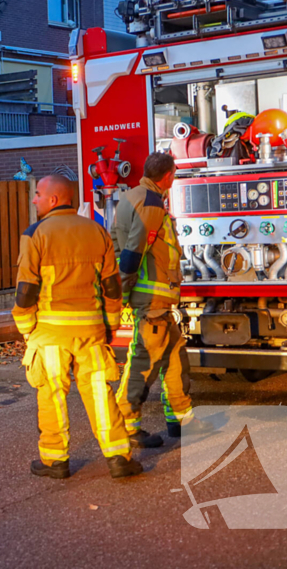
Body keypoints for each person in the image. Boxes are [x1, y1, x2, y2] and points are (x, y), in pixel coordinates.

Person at [13, 174, 142, 480]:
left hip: (50, 333)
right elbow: (112, 288)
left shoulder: (35, 234)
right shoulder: (97, 232)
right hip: (91, 332)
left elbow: (26, 290)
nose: (35, 199)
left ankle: (55, 461)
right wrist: (110, 327)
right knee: (100, 392)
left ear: (54, 199)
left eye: (38, 194)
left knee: (51, 394)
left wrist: (26, 328)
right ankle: (118, 458)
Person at [111, 152, 192, 448]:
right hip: (151, 299)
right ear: (168, 176)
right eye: (174, 174)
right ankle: (125, 425)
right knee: (143, 362)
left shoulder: (132, 196)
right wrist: (123, 293)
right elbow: (134, 249)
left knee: (175, 358)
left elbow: (118, 243)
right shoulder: (152, 203)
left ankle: (182, 420)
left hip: (157, 300)